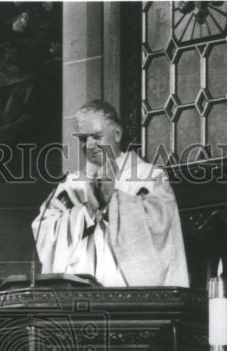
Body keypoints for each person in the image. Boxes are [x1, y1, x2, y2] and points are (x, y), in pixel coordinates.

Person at [32, 99, 189, 287]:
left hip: (128, 292)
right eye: (83, 139)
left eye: (96, 137)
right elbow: (45, 230)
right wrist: (88, 211)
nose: (89, 145)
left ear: (117, 134)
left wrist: (112, 202)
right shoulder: (69, 185)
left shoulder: (148, 176)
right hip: (80, 293)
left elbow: (160, 227)